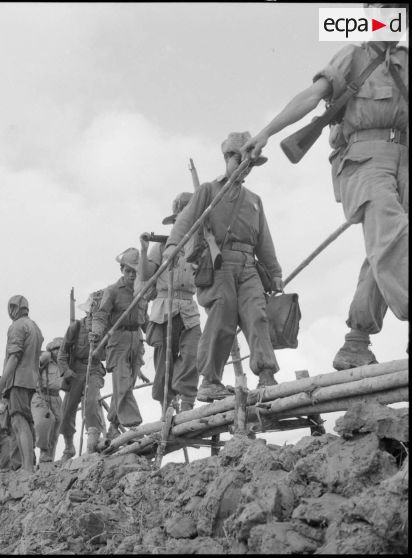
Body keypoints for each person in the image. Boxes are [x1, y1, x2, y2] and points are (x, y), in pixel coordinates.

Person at [242, 18, 409, 370]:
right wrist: (266, 133)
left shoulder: (406, 61)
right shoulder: (353, 56)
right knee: (391, 234)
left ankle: (356, 342)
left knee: (385, 249)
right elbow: (311, 96)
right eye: (384, 7)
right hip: (365, 158)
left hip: (404, 162)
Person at [163, 132, 284, 400]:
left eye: (250, 163)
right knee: (222, 318)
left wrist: (274, 273)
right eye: (241, 160)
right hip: (218, 264)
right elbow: (186, 220)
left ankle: (266, 374)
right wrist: (172, 247)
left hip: (248, 265)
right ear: (228, 158)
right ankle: (210, 381)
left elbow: (264, 239)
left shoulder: (254, 200)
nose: (245, 167)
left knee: (257, 315)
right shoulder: (208, 191)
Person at [140, 192, 201, 413]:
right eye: (179, 220)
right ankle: (166, 403)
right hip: (164, 306)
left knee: (192, 354)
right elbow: (147, 275)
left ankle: (186, 403)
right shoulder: (163, 247)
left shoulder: (201, 245)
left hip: (188, 308)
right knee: (164, 361)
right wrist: (144, 250)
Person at [90, 248, 148, 435]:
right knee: (122, 381)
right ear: (122, 270)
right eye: (128, 271)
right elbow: (101, 315)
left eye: (135, 271)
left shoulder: (143, 290)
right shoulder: (112, 291)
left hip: (136, 341)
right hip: (118, 340)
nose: (131, 275)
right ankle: (133, 421)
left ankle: (113, 427)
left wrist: (156, 337)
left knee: (126, 386)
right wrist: (96, 332)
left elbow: (145, 319)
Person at [0, 295, 43, 473]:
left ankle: (27, 466)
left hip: (18, 380)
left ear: (13, 308)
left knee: (19, 421)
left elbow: (14, 357)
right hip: (30, 381)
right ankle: (28, 464)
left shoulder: (17, 326)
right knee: (25, 422)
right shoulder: (35, 327)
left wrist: (0, 384)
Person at [58, 291, 107, 456]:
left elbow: (106, 355)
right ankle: (69, 446)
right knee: (66, 412)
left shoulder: (105, 330)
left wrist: (99, 342)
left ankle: (92, 443)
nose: (93, 315)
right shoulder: (75, 327)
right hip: (76, 370)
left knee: (91, 403)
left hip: (93, 369)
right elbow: (62, 353)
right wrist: (66, 371)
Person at [31, 338, 64, 463]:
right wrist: (46, 354)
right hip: (42, 394)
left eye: (60, 349)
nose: (58, 351)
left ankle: (49, 458)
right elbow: (38, 363)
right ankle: (43, 453)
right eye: (56, 349)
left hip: (56, 397)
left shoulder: (63, 362)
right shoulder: (45, 360)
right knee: (45, 423)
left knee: (55, 432)